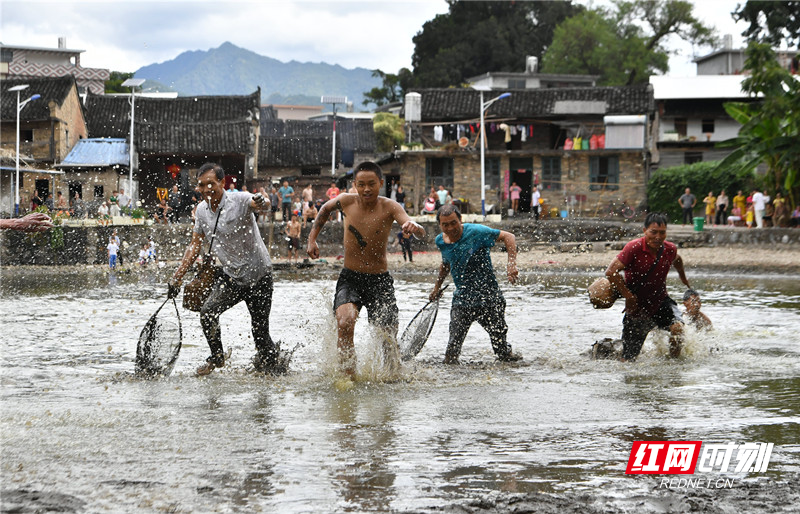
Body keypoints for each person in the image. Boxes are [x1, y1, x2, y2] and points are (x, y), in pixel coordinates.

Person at [306, 161, 425, 377]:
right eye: (361, 184)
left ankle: (392, 376)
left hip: (380, 281)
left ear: (380, 183)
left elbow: (415, 227)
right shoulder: (346, 201)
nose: (366, 189)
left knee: (387, 335)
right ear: (355, 185)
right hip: (350, 277)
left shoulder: (390, 206)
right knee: (344, 321)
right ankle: (347, 376)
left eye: (371, 184)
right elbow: (324, 209)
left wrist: (414, 227)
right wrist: (312, 240)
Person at [167, 162, 281, 376]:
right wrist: (177, 277)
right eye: (201, 185)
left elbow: (262, 205)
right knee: (208, 313)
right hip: (232, 276)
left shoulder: (239, 200)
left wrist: (262, 200)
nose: (206, 189)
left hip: (259, 275)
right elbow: (194, 245)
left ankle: (274, 369)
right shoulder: (201, 210)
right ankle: (217, 357)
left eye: (211, 183)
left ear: (222, 182)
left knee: (259, 333)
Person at [429, 205, 521, 364]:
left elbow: (509, 237)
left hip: (489, 298)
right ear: (440, 225)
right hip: (462, 300)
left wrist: (511, 264)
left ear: (460, 220)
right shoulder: (440, 241)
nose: (450, 228)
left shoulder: (476, 232)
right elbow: (446, 264)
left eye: (453, 223)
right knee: (451, 354)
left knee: (502, 353)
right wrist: (437, 287)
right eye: (445, 225)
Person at [604, 212, 692, 361]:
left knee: (678, 329)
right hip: (637, 307)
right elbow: (611, 272)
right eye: (653, 232)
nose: (658, 237)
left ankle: (673, 365)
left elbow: (677, 260)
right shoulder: (634, 248)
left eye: (662, 233)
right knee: (628, 360)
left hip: (661, 301)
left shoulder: (670, 249)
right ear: (645, 230)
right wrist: (628, 296)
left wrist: (682, 277)